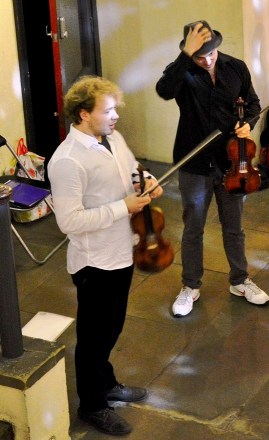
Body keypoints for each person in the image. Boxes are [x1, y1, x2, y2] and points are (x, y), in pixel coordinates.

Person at [48, 76, 163, 436]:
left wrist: (147, 180)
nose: (115, 116)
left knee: (112, 327)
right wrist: (122, 207)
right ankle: (92, 405)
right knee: (94, 337)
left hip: (122, 251)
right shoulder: (67, 161)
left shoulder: (112, 139)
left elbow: (132, 171)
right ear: (84, 114)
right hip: (93, 262)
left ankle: (107, 382)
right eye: (108, 110)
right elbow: (69, 221)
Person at [156, 20, 269, 317]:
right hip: (194, 162)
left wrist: (249, 123)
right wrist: (185, 56)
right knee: (193, 226)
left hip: (233, 161)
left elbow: (254, 104)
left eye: (212, 54)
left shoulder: (236, 68)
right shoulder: (182, 73)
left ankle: (240, 280)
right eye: (200, 56)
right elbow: (164, 90)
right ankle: (190, 285)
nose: (207, 60)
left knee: (235, 226)